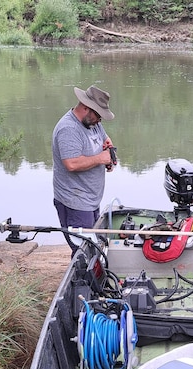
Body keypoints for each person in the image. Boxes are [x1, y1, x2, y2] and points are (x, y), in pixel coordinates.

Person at [52, 85, 116, 253]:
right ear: (86, 107)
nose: (100, 120)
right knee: (83, 251)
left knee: (93, 248)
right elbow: (71, 163)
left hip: (91, 200)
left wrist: (108, 152)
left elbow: (105, 139)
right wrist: (100, 158)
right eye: (99, 115)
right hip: (75, 202)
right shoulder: (69, 129)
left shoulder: (92, 122)